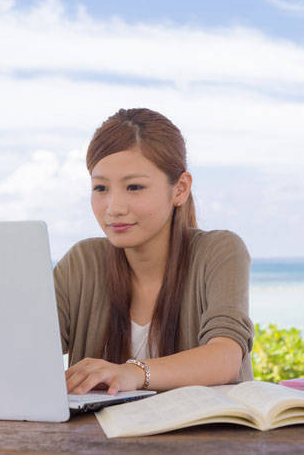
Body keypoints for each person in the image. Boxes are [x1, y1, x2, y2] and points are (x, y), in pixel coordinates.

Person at [54, 107, 254, 396]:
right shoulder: (82, 262)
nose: (114, 208)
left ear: (180, 189)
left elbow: (225, 358)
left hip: (207, 439)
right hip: (101, 439)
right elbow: (26, 351)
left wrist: (132, 373)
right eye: (100, 188)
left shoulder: (219, 251)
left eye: (134, 187)